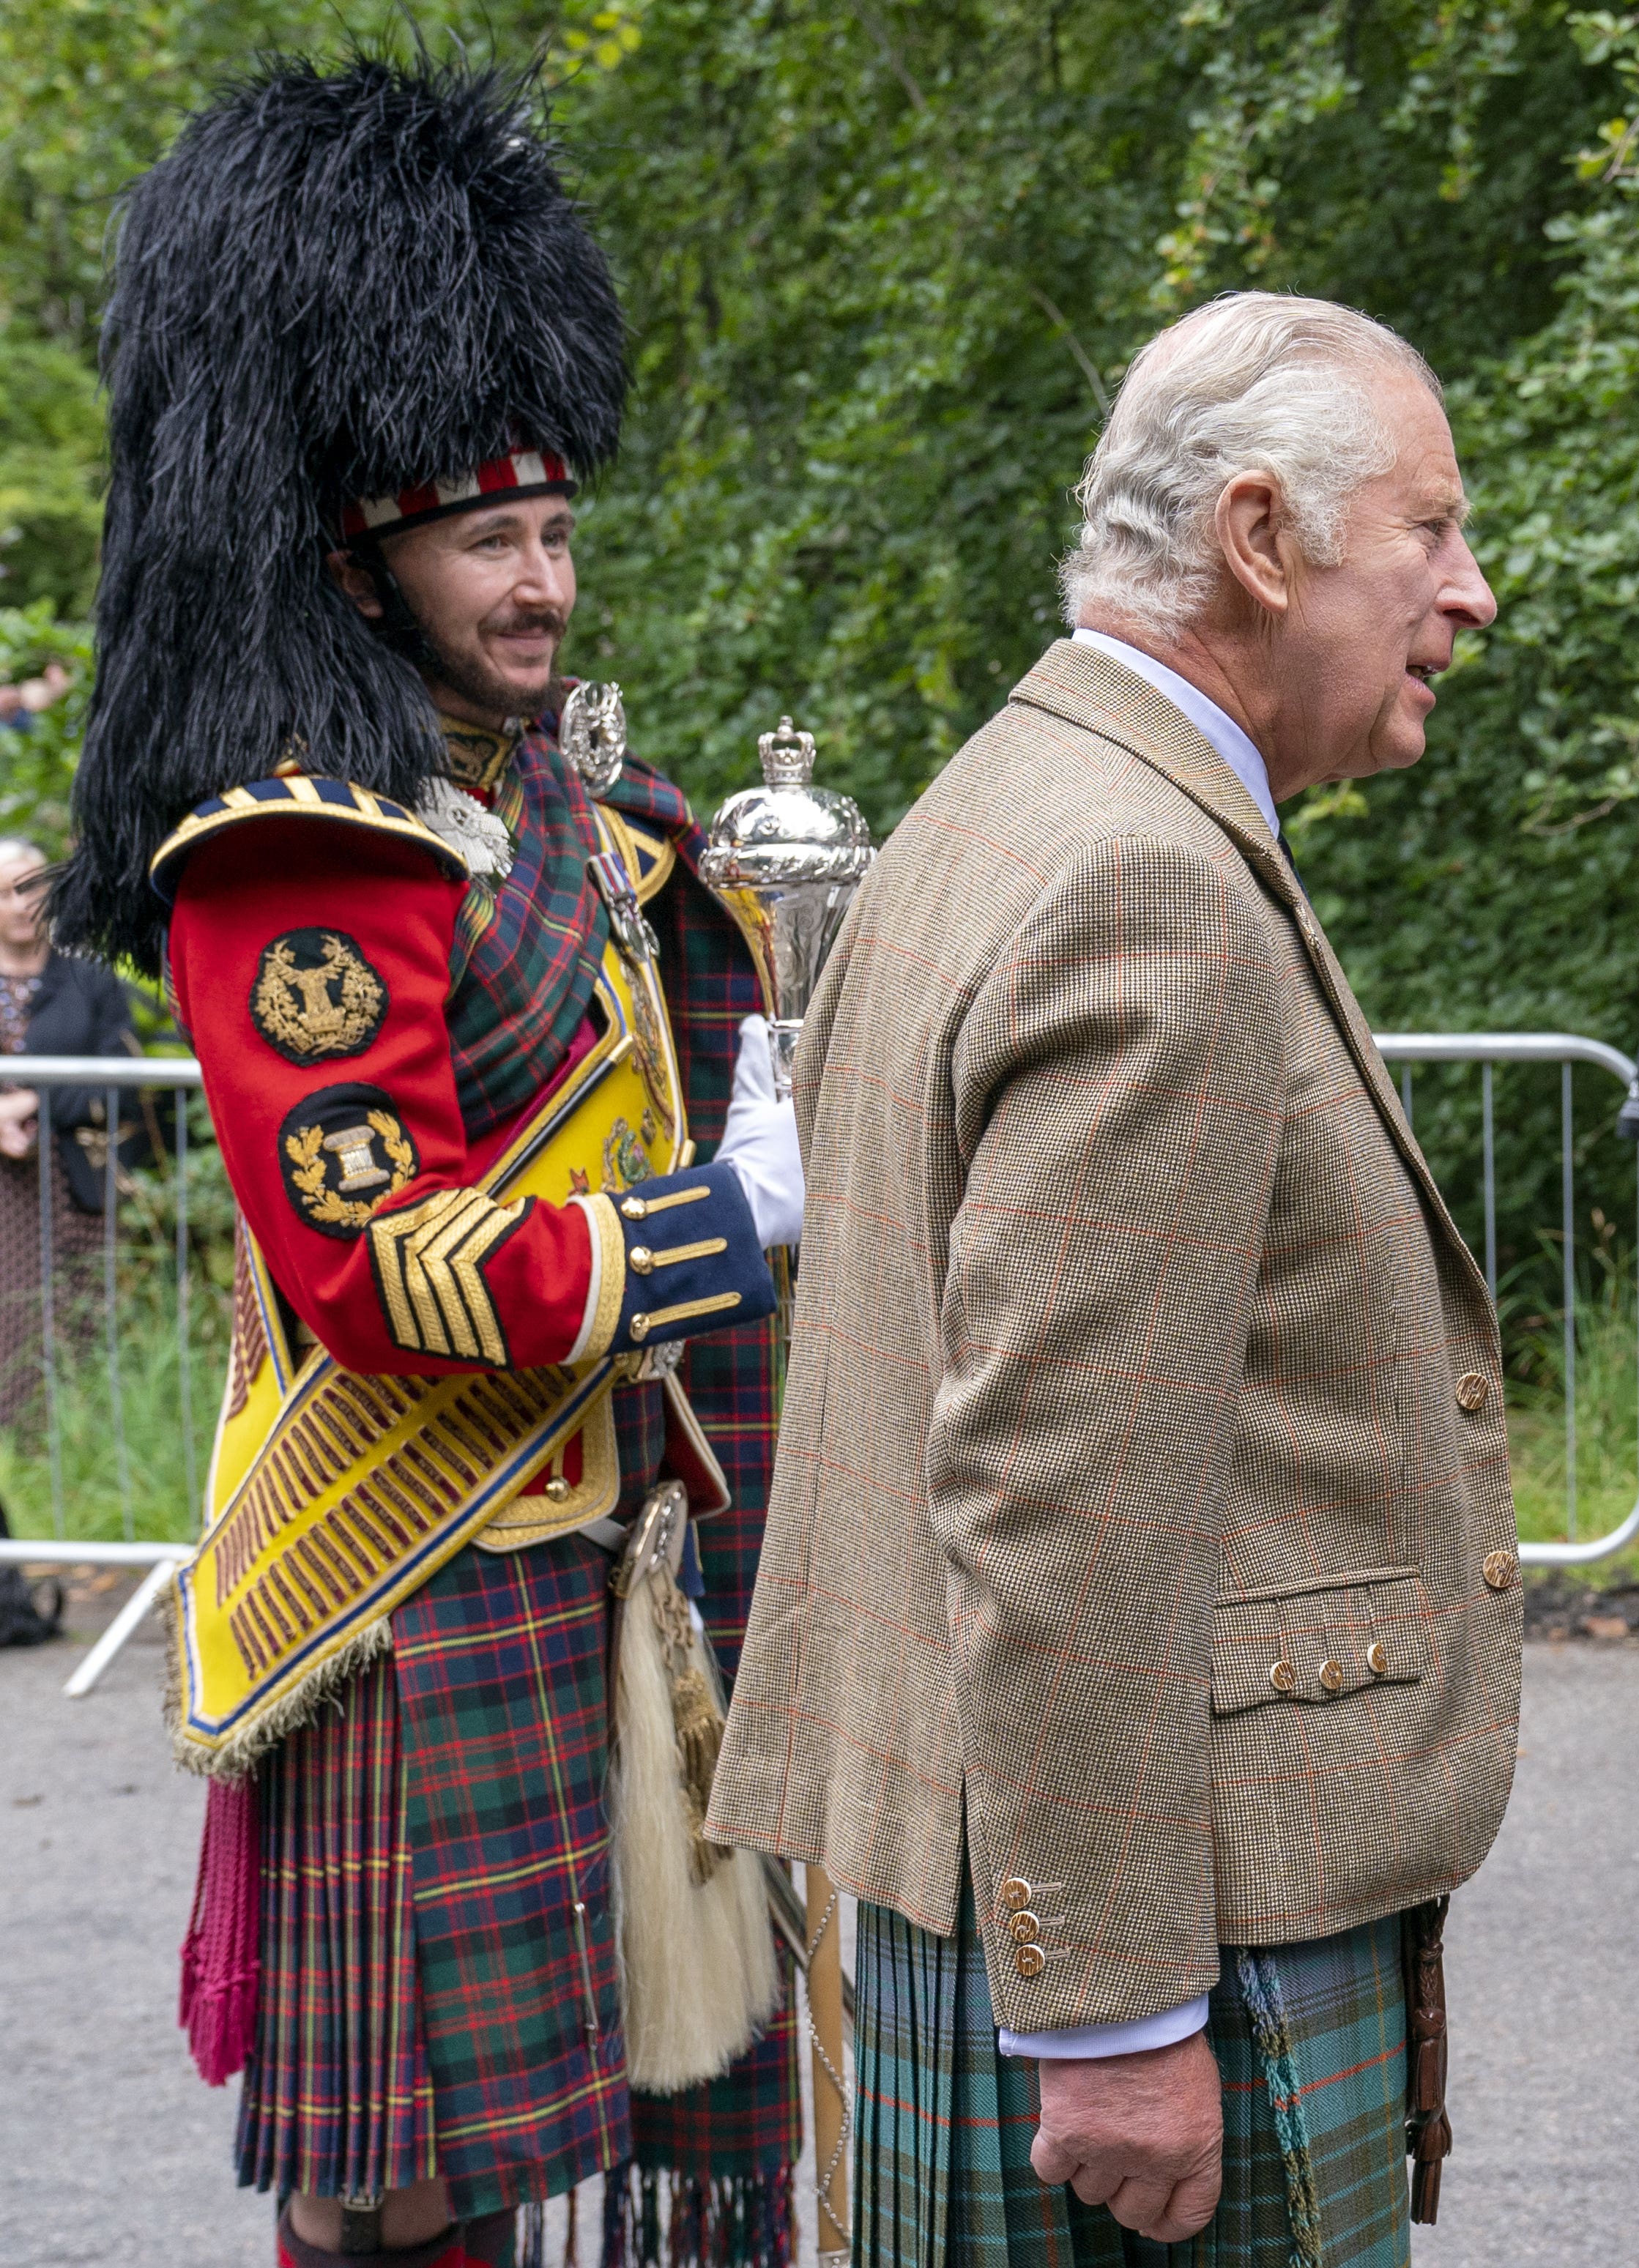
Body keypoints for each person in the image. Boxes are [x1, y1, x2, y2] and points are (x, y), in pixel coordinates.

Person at [65, 60, 803, 2266]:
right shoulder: (291, 860)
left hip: (606, 1546)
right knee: (404, 2195)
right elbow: (385, 1271)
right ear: (360, 559)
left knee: (650, 2137)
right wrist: (715, 1228)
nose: (545, 578)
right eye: (492, 535)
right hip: (407, 1574)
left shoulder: (571, 800)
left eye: (560, 528)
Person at [707, 293, 1519, 2268]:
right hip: (1162, 1941)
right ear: (1260, 541)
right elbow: (1055, 1485)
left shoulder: (1012, 796)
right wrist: (1116, 2008)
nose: (1470, 594)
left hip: (1033, 1881)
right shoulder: (1139, 872)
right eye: (1428, 530)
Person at [0, 834, 146, 1429]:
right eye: (7, 891)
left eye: (32, 886)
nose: (20, 902)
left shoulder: (91, 982)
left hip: (74, 1187)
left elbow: (123, 1078)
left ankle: (75, 1448)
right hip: (5, 1189)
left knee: (78, 1316)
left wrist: (37, 1099)